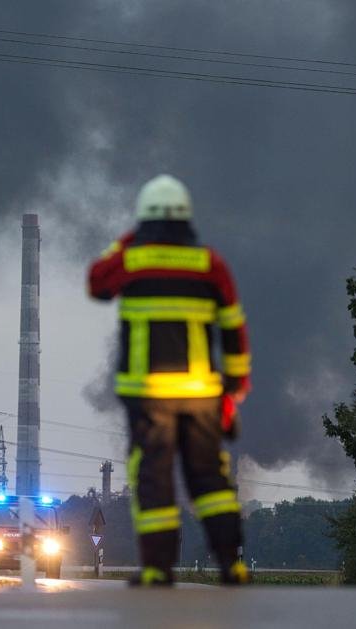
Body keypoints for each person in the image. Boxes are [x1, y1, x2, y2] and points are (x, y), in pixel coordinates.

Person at [87, 174, 251, 586]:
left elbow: (97, 283)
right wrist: (234, 389)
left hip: (150, 397)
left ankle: (159, 569)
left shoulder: (131, 259)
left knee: (154, 482)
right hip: (200, 395)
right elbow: (234, 328)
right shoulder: (209, 264)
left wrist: (127, 240)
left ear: (144, 220)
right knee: (210, 480)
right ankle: (232, 564)